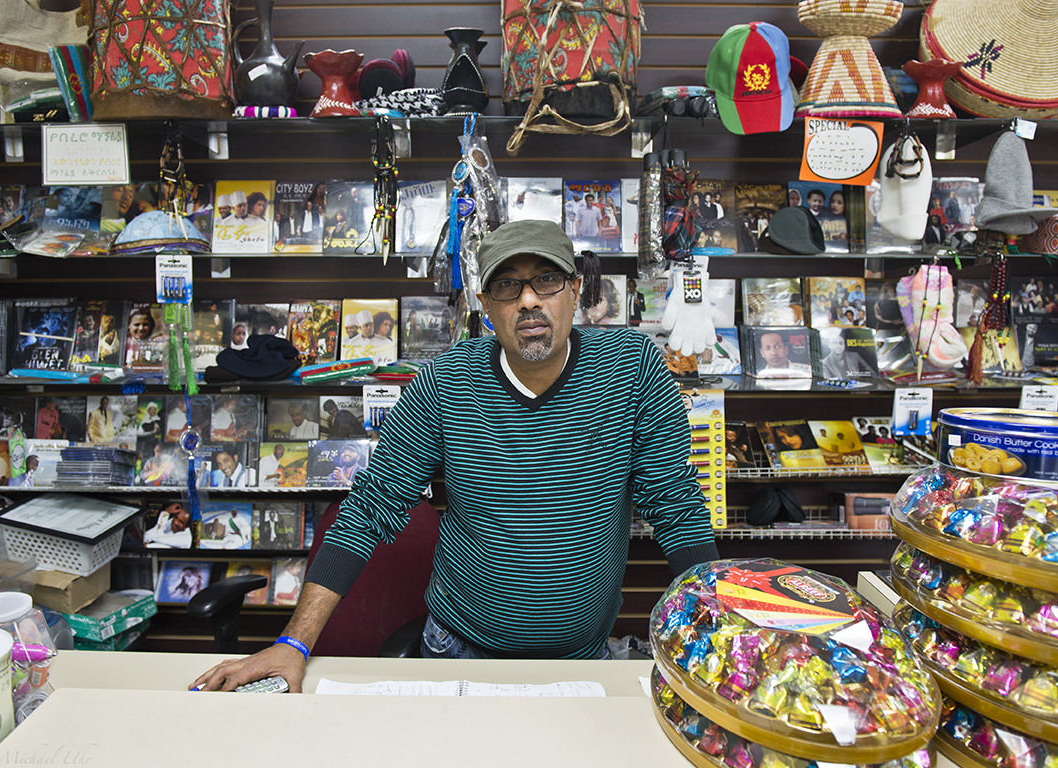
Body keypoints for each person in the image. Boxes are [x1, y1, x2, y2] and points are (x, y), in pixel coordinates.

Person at [192, 219, 718, 693]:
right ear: (485, 305)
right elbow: (370, 506)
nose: (529, 300)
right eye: (508, 286)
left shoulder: (634, 368)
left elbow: (676, 506)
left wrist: (720, 631)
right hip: (459, 653)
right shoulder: (447, 381)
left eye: (547, 280)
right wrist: (293, 644)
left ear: (576, 290)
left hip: (580, 662)